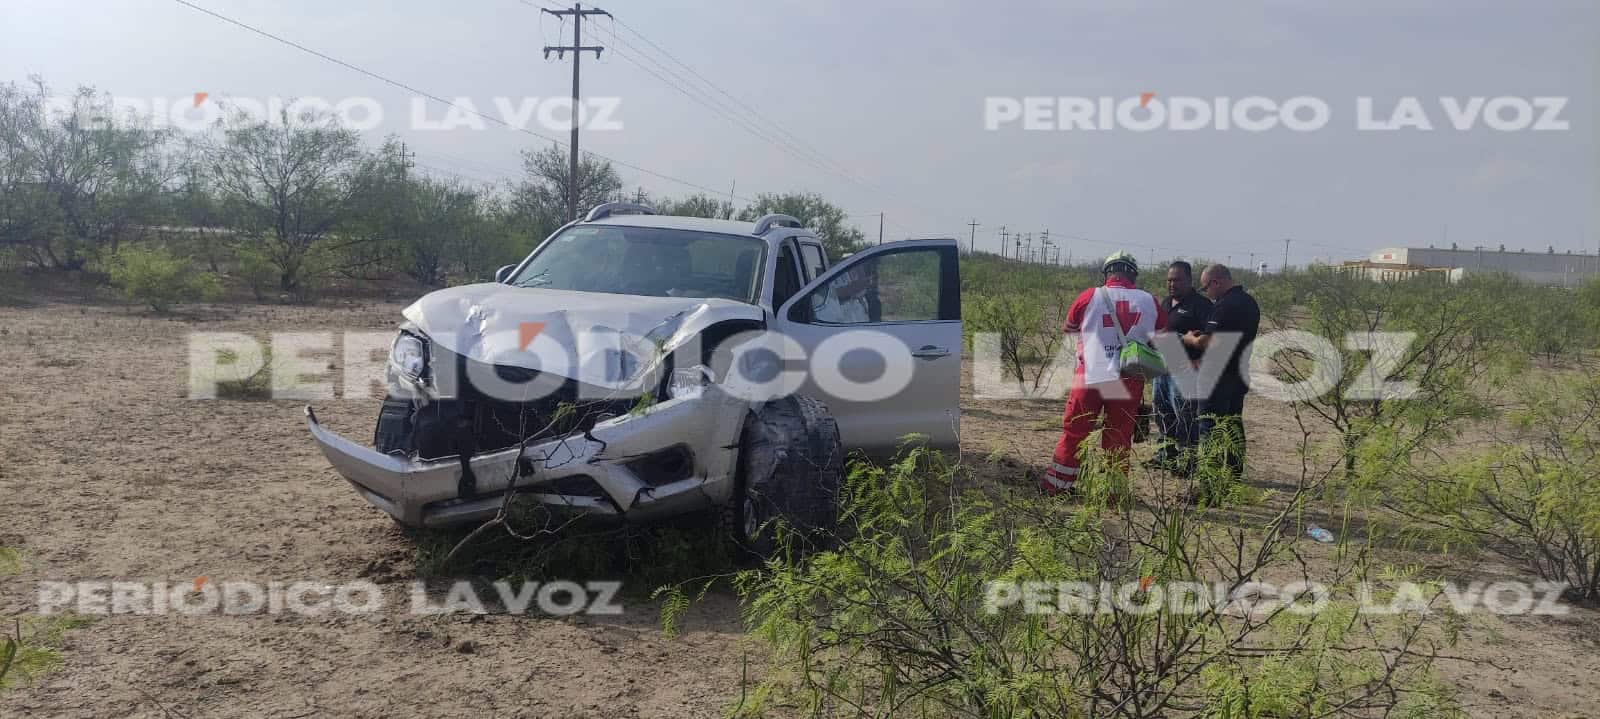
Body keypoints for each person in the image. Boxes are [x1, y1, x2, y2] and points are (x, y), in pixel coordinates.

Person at [1042, 251, 1165, 496]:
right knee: (1119, 436)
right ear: (1133, 274)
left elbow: (1070, 333)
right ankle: (1113, 494)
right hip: (1129, 377)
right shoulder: (1150, 301)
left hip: (1090, 376)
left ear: (1108, 272)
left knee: (1075, 432)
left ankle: (1056, 487)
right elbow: (1160, 341)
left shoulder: (1089, 296)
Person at [1181, 264, 1260, 487]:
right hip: (1239, 373)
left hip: (1218, 376)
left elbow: (1209, 342)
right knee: (1233, 425)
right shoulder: (1249, 302)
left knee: (1210, 429)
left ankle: (1208, 486)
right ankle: (1233, 477)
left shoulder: (1225, 305)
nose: (1207, 293)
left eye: (1206, 288)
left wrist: (1191, 340)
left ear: (1216, 282)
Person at [1147, 261, 1212, 470]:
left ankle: (1187, 461)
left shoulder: (1201, 306)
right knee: (1162, 411)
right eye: (1169, 280)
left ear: (1190, 281)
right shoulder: (1165, 303)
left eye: (1177, 280)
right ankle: (1166, 454)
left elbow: (1214, 339)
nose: (1172, 284)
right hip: (1162, 368)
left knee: (1185, 416)